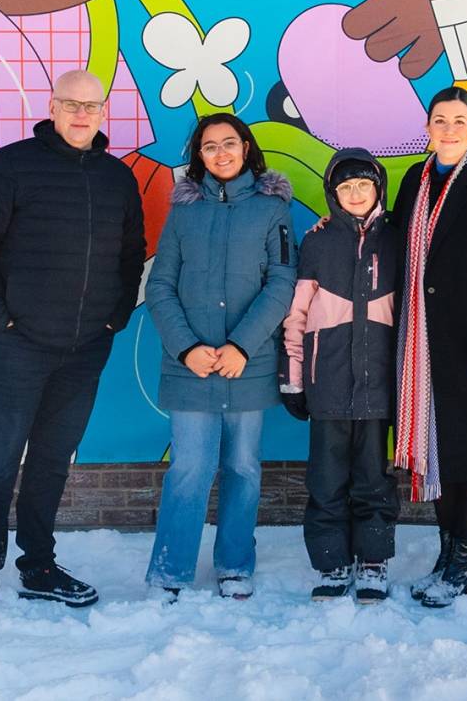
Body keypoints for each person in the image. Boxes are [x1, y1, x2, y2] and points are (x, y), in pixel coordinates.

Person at [0, 70, 146, 626]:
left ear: (104, 112)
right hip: (19, 347)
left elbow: (133, 252)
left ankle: (38, 567)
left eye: (92, 105)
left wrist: (113, 318)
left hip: (84, 350)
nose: (82, 114)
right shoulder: (12, 166)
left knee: (52, 463)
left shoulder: (115, 178)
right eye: (71, 104)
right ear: (52, 107)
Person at [143, 114, 298, 599]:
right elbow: (161, 285)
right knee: (190, 467)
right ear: (200, 156)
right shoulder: (184, 212)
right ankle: (170, 571)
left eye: (230, 143)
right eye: (210, 147)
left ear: (247, 148)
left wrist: (241, 346)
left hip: (245, 365)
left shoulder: (273, 209)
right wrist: (187, 347)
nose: (221, 153)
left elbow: (281, 283)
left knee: (243, 467)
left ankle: (234, 564)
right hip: (191, 366)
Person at [390, 86, 467, 607]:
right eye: (439, 119)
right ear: (427, 127)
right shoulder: (409, 184)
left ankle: (464, 561)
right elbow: (388, 243)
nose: (448, 128)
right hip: (419, 345)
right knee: (436, 452)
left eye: (459, 120)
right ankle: (446, 556)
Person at [279, 149, 401, 603]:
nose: (355, 194)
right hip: (326, 382)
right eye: (346, 187)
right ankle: (331, 562)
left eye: (363, 185)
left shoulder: (395, 239)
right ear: (333, 193)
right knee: (326, 479)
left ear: (378, 189)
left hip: (379, 386)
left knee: (373, 477)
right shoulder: (318, 242)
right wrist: (293, 379)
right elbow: (295, 316)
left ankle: (373, 560)